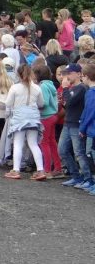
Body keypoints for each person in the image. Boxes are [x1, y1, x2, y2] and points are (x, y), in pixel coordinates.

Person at [4, 64, 47, 180]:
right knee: (33, 143)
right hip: (33, 117)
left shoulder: (15, 87)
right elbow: (41, 104)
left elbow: (8, 103)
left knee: (18, 143)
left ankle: (16, 170)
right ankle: (40, 170)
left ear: (18, 74)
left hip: (19, 118)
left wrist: (7, 113)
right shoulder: (37, 88)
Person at [58, 63, 91, 188]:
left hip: (76, 124)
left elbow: (70, 102)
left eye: (69, 73)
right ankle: (76, 176)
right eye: (66, 74)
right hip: (68, 122)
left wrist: (65, 89)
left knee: (79, 153)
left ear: (78, 74)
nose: (67, 76)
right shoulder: (72, 88)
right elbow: (67, 105)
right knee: (62, 150)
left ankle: (87, 178)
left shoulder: (81, 88)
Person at [34, 64, 62, 178]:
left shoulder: (43, 86)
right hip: (53, 116)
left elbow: (44, 103)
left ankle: (46, 170)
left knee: (44, 143)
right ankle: (57, 167)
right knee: (52, 142)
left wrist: (34, 105)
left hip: (45, 117)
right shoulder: (50, 84)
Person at [78, 64, 95, 195]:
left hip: (92, 129)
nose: (81, 78)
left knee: (91, 155)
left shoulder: (91, 92)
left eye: (82, 76)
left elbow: (89, 111)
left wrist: (82, 127)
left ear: (87, 77)